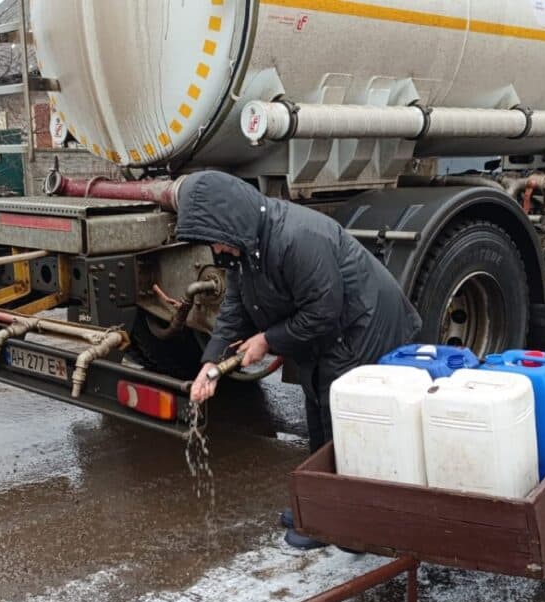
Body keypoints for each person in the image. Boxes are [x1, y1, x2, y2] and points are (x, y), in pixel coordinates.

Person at [177, 171, 422, 549]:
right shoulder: (245, 248)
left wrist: (267, 339)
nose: (217, 249)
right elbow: (234, 309)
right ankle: (320, 504)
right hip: (325, 332)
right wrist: (210, 366)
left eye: (216, 239)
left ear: (232, 222)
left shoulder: (296, 237)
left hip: (360, 323)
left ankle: (350, 524)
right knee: (316, 408)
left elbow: (325, 310)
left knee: (342, 416)